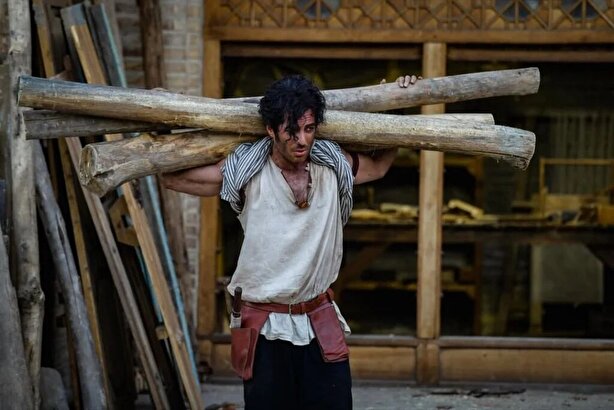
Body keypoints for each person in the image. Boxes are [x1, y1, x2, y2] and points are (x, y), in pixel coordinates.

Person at [163, 74, 419, 410]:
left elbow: (379, 167)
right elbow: (172, 176)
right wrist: (160, 125)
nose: (302, 140)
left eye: (309, 129)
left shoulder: (333, 164)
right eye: (291, 131)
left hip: (318, 318)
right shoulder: (246, 170)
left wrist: (396, 105)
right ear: (271, 130)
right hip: (264, 325)